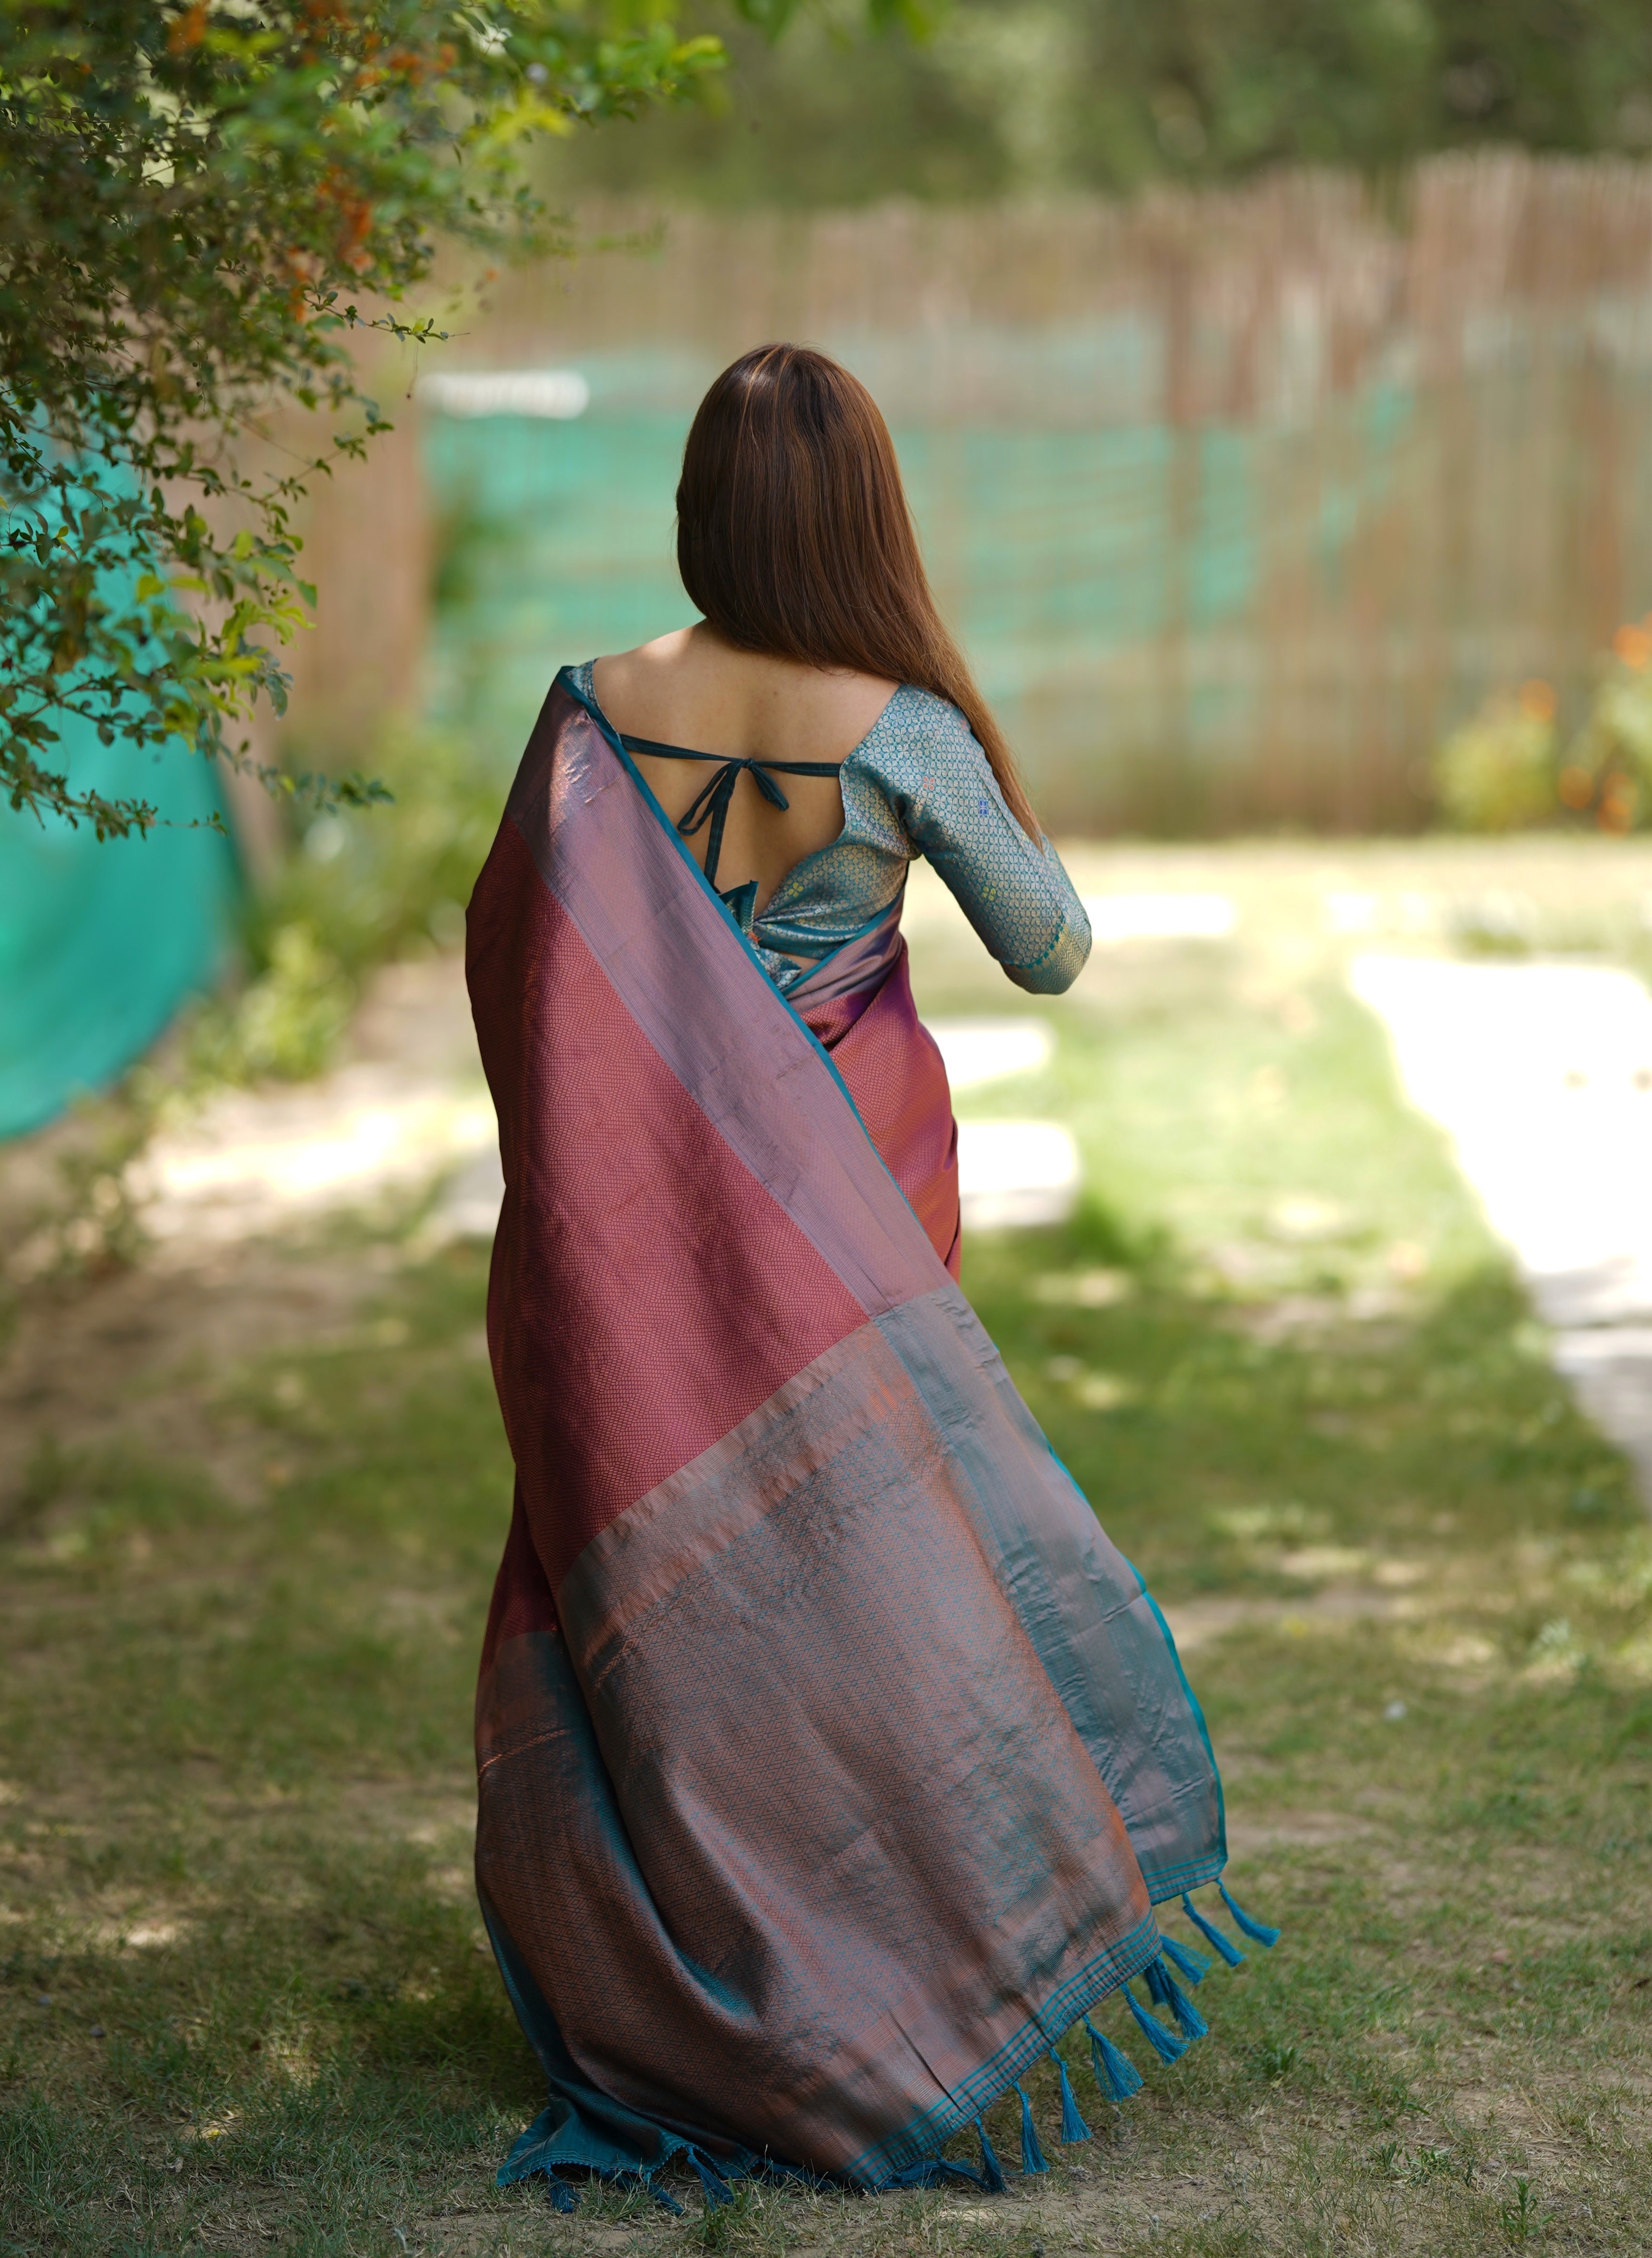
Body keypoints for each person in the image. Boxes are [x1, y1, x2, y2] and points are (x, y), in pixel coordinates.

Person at [464, 344, 1274, 2212]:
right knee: (871, 1597)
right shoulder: (897, 729)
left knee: (681, 1614)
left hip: (636, 1265)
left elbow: (526, 974)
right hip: (848, 1249)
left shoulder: (585, 713)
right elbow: (1051, 946)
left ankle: (697, 1976)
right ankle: (897, 1970)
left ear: (696, 511)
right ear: (859, 519)